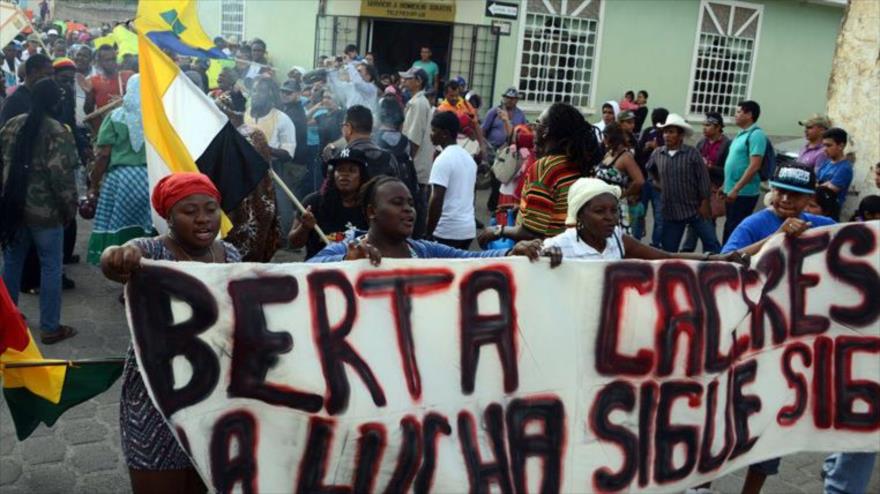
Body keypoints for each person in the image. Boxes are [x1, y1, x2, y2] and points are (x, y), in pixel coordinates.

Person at [101, 173, 238, 494]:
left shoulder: (230, 254)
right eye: (189, 211)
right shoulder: (149, 252)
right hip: (155, 395)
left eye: (211, 208)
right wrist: (117, 256)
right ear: (168, 216)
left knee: (206, 478)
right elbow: (114, 260)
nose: (203, 218)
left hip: (213, 391)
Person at [309, 176, 553, 265]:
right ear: (372, 211)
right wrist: (346, 260)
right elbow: (304, 269)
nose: (408, 210)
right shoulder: (349, 248)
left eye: (411, 204)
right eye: (397, 203)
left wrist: (511, 254)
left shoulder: (424, 251)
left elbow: (471, 259)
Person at [0, 78, 78, 344]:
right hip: (46, 213)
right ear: (55, 102)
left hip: (12, 208)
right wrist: (69, 209)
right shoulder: (58, 131)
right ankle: (49, 327)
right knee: (51, 267)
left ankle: (7, 325)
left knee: (11, 264)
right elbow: (61, 177)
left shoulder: (13, 124)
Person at [543, 178, 745, 264]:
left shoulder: (617, 241)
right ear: (580, 215)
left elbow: (666, 257)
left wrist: (717, 259)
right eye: (599, 211)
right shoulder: (560, 246)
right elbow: (518, 265)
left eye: (614, 210)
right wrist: (527, 251)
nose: (610, 217)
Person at [478, 102, 600, 245]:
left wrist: (497, 231)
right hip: (568, 249)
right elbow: (559, 207)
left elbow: (531, 233)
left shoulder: (545, 168)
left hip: (543, 254)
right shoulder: (579, 164)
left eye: (537, 124)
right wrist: (525, 207)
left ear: (546, 131)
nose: (533, 130)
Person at [85, 75, 154, 265]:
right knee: (145, 228)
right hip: (150, 178)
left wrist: (94, 184)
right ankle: (143, 269)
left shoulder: (115, 117)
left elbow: (103, 155)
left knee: (120, 225)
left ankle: (122, 271)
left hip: (120, 179)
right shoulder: (156, 118)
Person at [215, 91, 280, 262]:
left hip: (250, 203)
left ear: (227, 113)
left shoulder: (248, 135)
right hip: (247, 203)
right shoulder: (252, 133)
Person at [723, 162, 835, 256]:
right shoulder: (752, 225)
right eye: (780, 192)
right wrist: (776, 237)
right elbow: (724, 261)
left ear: (810, 197)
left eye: (795, 194)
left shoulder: (823, 225)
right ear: (772, 190)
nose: (785, 199)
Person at [646, 113, 719, 253]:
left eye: (671, 132)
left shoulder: (692, 154)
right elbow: (650, 170)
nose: (666, 135)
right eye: (665, 132)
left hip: (696, 208)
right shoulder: (657, 153)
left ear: (680, 135)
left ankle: (718, 269)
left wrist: (704, 203)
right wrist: (657, 183)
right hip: (671, 211)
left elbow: (703, 178)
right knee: (669, 249)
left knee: (711, 243)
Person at [289, 147, 369, 259]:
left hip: (355, 271)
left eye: (352, 170)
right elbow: (294, 243)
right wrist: (304, 227)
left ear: (362, 176)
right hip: (318, 269)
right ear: (332, 174)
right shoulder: (313, 202)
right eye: (340, 169)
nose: (344, 174)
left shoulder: (370, 207)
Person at [245, 76, 297, 235]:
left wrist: (266, 149)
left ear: (271, 94)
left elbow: (288, 153)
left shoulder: (282, 119)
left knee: (276, 209)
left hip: (271, 172)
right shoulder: (244, 115)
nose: (256, 94)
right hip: (244, 171)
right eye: (254, 90)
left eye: (261, 91)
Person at [681, 111, 730, 252]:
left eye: (708, 125)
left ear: (718, 127)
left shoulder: (726, 144)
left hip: (715, 187)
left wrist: (710, 168)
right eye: (704, 125)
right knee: (699, 218)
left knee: (706, 218)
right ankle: (705, 250)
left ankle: (703, 250)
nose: (704, 128)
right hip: (698, 186)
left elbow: (728, 169)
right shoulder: (701, 142)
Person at [426, 111, 476, 248]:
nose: (431, 134)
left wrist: (428, 233)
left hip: (446, 232)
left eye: (434, 131)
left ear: (444, 134)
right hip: (468, 231)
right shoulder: (468, 158)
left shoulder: (443, 160)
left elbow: (436, 199)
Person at [722, 100, 767, 244]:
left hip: (744, 193)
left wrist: (736, 188)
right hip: (732, 191)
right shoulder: (741, 134)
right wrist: (725, 185)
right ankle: (725, 257)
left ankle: (731, 258)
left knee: (735, 229)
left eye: (739, 112)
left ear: (749, 115)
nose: (735, 115)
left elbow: (754, 166)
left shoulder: (756, 135)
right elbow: (735, 163)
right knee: (729, 225)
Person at [400, 67, 434, 236]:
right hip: (418, 165)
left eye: (408, 78)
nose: (404, 81)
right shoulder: (418, 101)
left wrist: (407, 163)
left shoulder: (418, 104)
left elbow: (413, 140)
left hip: (417, 166)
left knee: (417, 206)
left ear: (418, 81)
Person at [595, 122, 643, 233]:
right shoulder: (609, 154)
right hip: (601, 203)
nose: (604, 141)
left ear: (613, 138)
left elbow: (639, 181)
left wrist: (623, 194)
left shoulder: (626, 157)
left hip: (616, 206)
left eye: (606, 137)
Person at [85, 45, 134, 132]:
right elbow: (88, 111)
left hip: (126, 129)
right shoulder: (92, 81)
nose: (111, 63)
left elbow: (138, 102)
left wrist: (124, 100)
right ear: (99, 62)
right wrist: (88, 94)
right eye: (107, 60)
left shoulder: (128, 76)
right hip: (106, 130)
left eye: (113, 59)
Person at [0, 54, 53, 126]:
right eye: (48, 74)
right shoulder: (14, 101)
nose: (51, 79)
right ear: (34, 72)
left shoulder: (44, 97)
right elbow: (6, 133)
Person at [815, 127, 853, 217]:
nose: (824, 149)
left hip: (829, 212)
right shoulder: (826, 162)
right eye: (823, 145)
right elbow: (815, 182)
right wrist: (824, 184)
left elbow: (828, 191)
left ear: (841, 146)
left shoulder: (845, 168)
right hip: (817, 209)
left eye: (828, 145)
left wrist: (820, 186)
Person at [481, 87, 527, 152]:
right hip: (492, 148)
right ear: (504, 98)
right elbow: (483, 130)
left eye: (512, 98)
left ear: (517, 100)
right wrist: (483, 145)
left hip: (511, 150)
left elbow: (523, 133)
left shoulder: (520, 115)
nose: (509, 100)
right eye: (507, 97)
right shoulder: (494, 111)